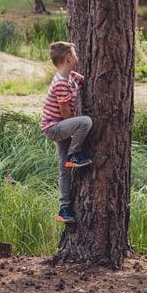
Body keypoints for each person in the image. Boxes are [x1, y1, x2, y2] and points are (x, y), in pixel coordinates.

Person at [41, 41, 93, 224]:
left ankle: (64, 209)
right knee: (85, 122)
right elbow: (64, 113)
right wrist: (72, 132)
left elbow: (82, 80)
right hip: (55, 127)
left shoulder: (69, 76)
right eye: (75, 54)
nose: (77, 57)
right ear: (69, 58)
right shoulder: (61, 83)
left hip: (59, 126)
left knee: (64, 171)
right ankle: (74, 155)